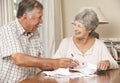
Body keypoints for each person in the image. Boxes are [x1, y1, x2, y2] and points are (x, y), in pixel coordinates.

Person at [0, 0, 78, 82]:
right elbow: (19, 59)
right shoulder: (8, 30)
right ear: (25, 16)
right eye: (39, 17)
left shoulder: (34, 32)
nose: (41, 21)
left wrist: (65, 64)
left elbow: (42, 64)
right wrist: (56, 62)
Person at [52, 8, 119, 71]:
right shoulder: (65, 43)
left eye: (79, 26)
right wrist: (64, 64)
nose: (75, 28)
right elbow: (53, 63)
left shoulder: (99, 45)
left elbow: (115, 64)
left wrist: (107, 63)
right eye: (74, 25)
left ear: (89, 29)